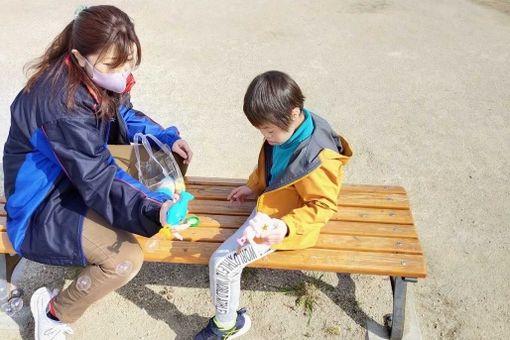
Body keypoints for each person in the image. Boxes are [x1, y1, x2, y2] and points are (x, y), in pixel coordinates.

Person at [2, 5, 192, 340]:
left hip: (77, 171)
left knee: (166, 164)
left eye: (129, 62)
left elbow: (123, 113)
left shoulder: (92, 74)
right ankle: (54, 312)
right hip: (42, 203)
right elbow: (98, 178)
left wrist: (166, 138)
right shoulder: (60, 105)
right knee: (126, 259)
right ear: (77, 56)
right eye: (112, 65)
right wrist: (152, 207)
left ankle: (151, 205)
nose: (123, 73)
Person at [195, 70, 352, 339]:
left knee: (223, 264)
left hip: (280, 224)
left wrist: (286, 227)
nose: (265, 136)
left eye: (269, 130)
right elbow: (271, 167)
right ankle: (226, 321)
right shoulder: (289, 127)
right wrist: (253, 186)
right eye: (261, 130)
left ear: (293, 112)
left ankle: (228, 325)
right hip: (270, 208)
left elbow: (324, 205)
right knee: (222, 263)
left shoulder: (318, 159)